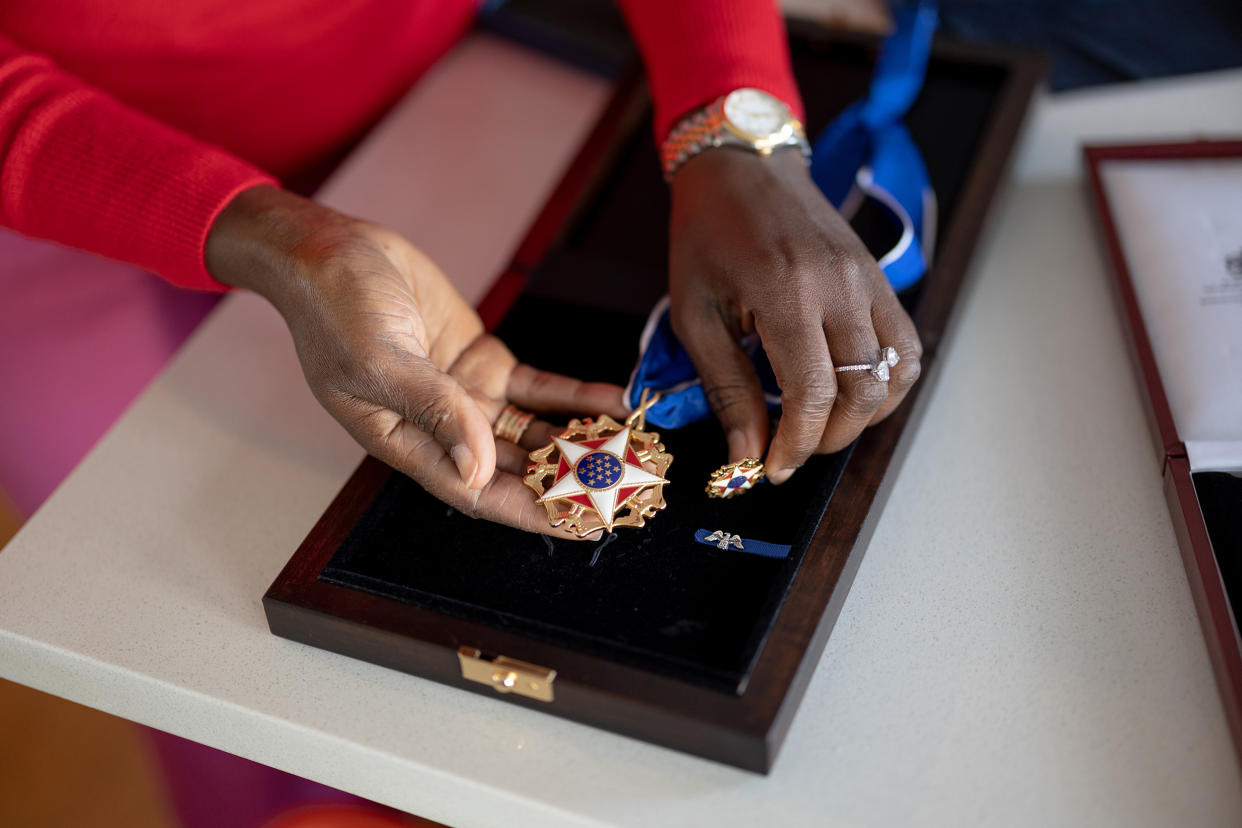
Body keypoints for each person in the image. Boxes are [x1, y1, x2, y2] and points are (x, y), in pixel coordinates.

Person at [0, 0, 922, 542]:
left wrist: (732, 133)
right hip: (59, 192)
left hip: (450, 97)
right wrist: (275, 236)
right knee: (169, 588)